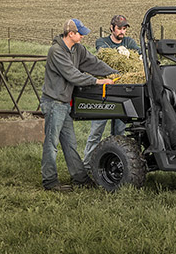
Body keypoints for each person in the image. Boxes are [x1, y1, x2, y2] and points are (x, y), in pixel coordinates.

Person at [40, 18, 115, 192]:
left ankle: (80, 179)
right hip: (53, 103)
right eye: (80, 33)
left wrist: (115, 73)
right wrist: (97, 81)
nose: (83, 36)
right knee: (51, 144)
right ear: (71, 33)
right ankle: (49, 181)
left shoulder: (77, 49)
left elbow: (93, 63)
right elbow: (73, 75)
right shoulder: (56, 51)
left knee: (70, 143)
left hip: (64, 103)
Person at [83, 14, 141, 170]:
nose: (122, 32)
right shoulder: (102, 42)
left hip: (122, 92)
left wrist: (137, 56)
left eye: (124, 29)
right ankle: (87, 166)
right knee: (96, 132)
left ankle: (117, 165)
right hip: (104, 93)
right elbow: (104, 53)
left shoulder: (129, 42)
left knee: (120, 133)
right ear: (112, 28)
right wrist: (119, 53)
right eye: (119, 28)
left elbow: (138, 53)